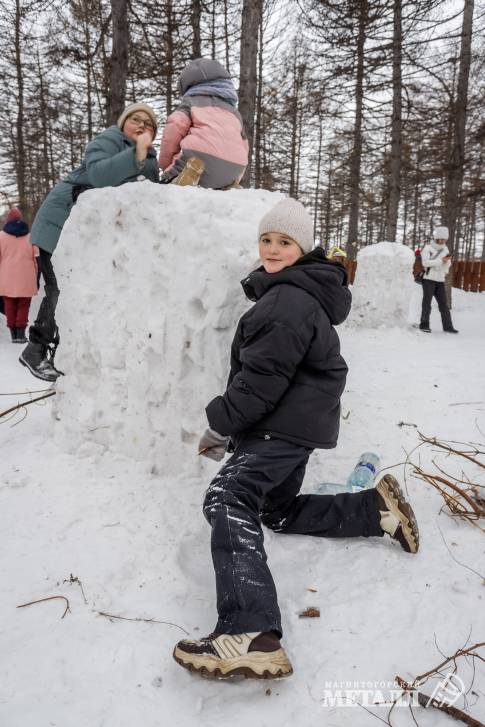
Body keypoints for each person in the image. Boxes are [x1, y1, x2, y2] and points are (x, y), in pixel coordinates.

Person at [172, 198, 420, 680]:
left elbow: (262, 378)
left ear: (302, 249)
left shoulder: (286, 298)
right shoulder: (299, 293)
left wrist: (220, 424)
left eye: (284, 241)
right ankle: (375, 511)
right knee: (275, 510)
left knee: (227, 498)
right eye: (266, 239)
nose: (272, 248)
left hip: (279, 425)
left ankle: (249, 631)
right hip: (298, 426)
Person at [20, 103, 160, 382]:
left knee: (79, 293)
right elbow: (99, 175)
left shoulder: (149, 157)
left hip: (82, 237)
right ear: (122, 124)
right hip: (57, 225)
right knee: (59, 290)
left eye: (149, 123)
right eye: (135, 119)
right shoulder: (108, 141)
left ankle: (62, 353)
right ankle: (35, 349)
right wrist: (137, 153)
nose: (142, 125)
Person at [159, 57, 249, 189]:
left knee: (166, 184)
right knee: (223, 177)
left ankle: (180, 178)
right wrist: (237, 173)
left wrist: (165, 165)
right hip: (235, 166)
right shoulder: (234, 113)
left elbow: (175, 126)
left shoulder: (191, 101)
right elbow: (244, 146)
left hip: (197, 159)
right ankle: (228, 185)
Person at [0, 208, 38, 343]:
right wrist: (36, 277)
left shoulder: (1, 236)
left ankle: (13, 334)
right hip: (26, 276)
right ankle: (21, 334)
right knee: (23, 305)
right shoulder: (30, 236)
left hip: (6, 277)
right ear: (21, 219)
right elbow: (36, 257)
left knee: (9, 304)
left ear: (7, 220)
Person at [419, 226, 458, 333]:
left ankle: (448, 327)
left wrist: (446, 263)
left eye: (446, 239)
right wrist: (441, 261)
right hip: (428, 280)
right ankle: (424, 324)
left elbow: (447, 265)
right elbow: (425, 263)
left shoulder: (445, 249)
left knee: (443, 305)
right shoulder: (428, 248)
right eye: (443, 238)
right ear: (438, 238)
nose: (445, 241)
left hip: (440, 281)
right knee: (427, 303)